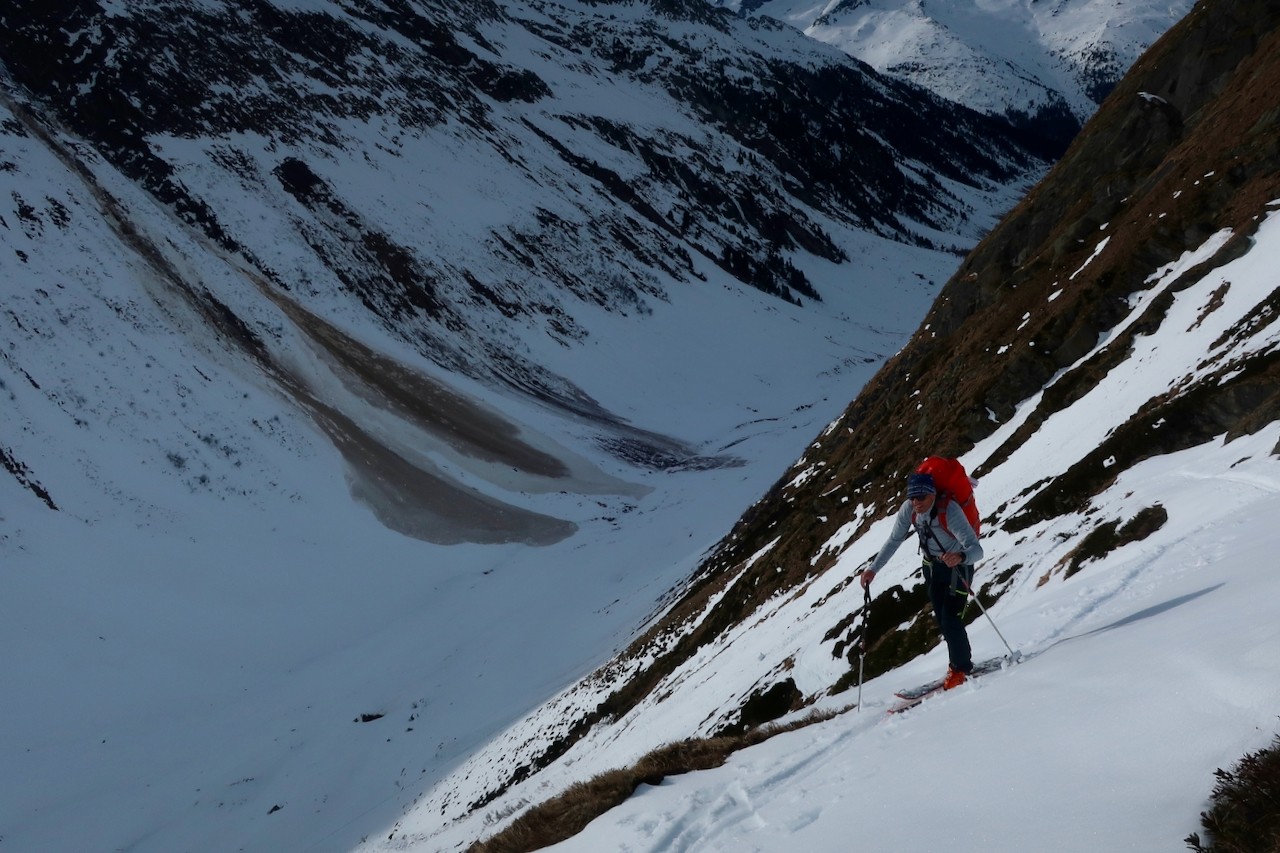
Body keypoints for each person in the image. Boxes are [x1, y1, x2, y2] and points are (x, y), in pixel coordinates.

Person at [860, 471, 983, 689]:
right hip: (932, 567)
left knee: (950, 618)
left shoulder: (950, 511)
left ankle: (961, 667)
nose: (916, 502)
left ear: (932, 494)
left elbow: (976, 550)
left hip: (957, 568)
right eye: (912, 497)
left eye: (921, 497)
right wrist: (873, 569)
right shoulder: (909, 510)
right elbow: (894, 540)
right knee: (941, 617)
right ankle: (956, 662)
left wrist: (960, 557)